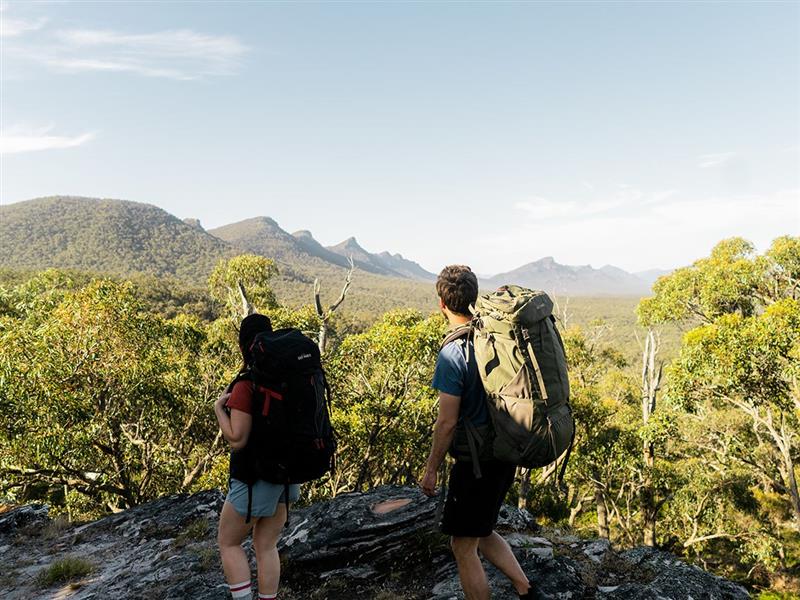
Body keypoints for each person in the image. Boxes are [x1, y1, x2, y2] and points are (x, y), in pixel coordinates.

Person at [420, 265, 541, 600]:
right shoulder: (494, 339)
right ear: (473, 297)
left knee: (462, 546)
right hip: (505, 451)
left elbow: (446, 422)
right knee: (481, 530)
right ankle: (526, 589)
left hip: (476, 465)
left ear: (442, 303)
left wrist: (431, 469)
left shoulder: (453, 353)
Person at [214, 313, 300, 600]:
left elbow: (237, 438)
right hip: (288, 476)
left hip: (256, 478)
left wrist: (218, 410)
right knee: (266, 545)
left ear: (243, 345)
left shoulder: (247, 383)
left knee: (228, 542)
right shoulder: (289, 376)